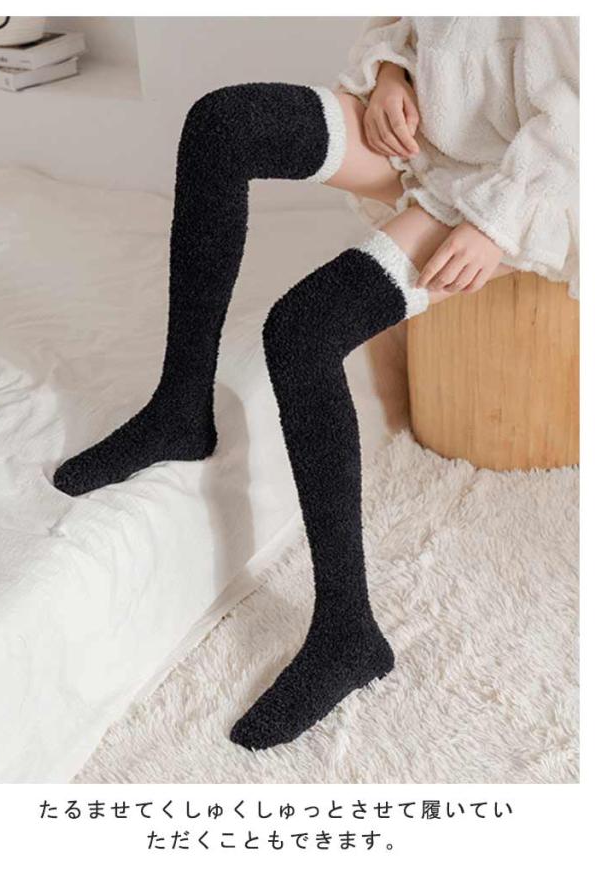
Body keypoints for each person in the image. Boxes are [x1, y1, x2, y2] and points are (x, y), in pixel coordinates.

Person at [52, 17, 579, 751]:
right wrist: (391, 72)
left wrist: (498, 223)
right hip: (420, 134)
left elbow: (579, 109)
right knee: (223, 125)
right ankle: (180, 407)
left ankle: (347, 630)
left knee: (302, 331)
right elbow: (406, 21)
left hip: (509, 180)